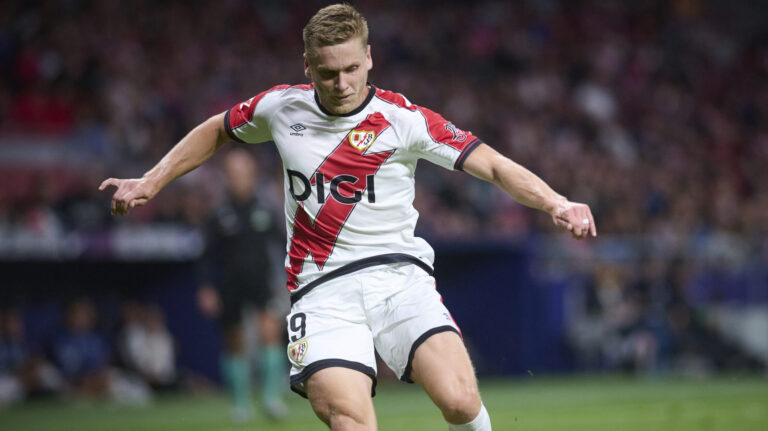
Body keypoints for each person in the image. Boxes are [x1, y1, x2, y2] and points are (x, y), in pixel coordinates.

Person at [99, 4, 596, 430]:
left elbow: (492, 164)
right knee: (349, 419)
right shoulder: (280, 109)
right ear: (308, 65)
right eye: (328, 71)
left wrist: (556, 202)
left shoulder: (406, 121)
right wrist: (151, 180)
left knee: (461, 401)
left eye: (352, 69)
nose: (341, 83)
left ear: (370, 58)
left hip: (399, 277)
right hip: (322, 291)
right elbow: (215, 130)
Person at [196, 149, 287, 421]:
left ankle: (272, 398)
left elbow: (284, 245)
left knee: (270, 333)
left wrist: (290, 279)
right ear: (226, 177)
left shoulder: (265, 211)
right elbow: (204, 256)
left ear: (252, 175)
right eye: (233, 173)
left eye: (243, 172)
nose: (238, 178)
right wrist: (206, 288)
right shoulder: (219, 216)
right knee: (234, 343)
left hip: (262, 283)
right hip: (230, 287)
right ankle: (240, 404)